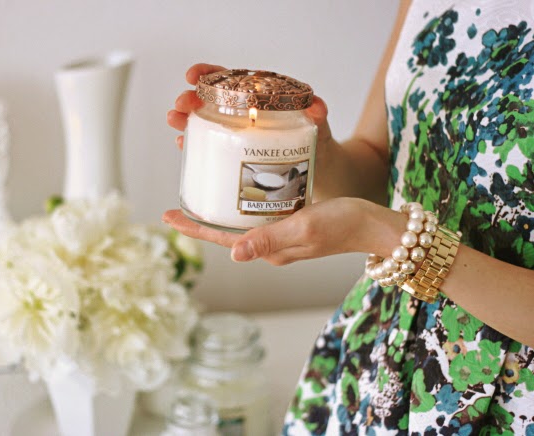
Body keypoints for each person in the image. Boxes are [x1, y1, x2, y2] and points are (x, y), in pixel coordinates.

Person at [164, 0, 534, 433]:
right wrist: (309, 152)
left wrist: (387, 237)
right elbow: (382, 161)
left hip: (509, 400)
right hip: (381, 358)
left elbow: (380, 225)